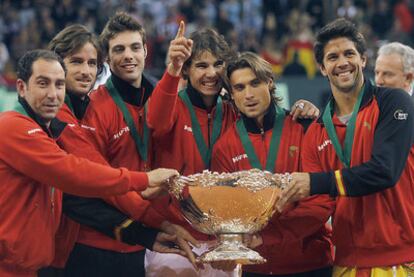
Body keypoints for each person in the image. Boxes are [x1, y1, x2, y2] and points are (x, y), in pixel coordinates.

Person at [146, 21, 320, 276]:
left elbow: (268, 117)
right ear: (187, 70)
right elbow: (156, 122)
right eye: (201, 66)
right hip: (178, 236)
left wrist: (304, 107)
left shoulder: (232, 110)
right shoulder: (173, 105)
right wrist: (172, 69)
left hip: (226, 240)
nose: (211, 73)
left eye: (218, 65)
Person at [0, 49, 179, 277]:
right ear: (21, 88)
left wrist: (145, 234)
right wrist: (143, 179)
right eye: (43, 84)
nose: (53, 94)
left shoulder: (50, 134)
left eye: (59, 84)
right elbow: (73, 172)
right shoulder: (13, 127)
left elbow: (76, 201)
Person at [37, 24, 197, 277]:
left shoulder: (157, 96)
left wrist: (176, 69)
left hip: (136, 240)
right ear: (110, 59)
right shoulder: (78, 111)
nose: (85, 71)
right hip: (89, 244)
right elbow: (97, 178)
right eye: (76, 62)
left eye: (91, 63)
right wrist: (152, 208)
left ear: (146, 51)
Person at [276, 18, 414, 276]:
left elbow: (385, 171)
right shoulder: (316, 130)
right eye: (332, 57)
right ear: (322, 68)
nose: (342, 63)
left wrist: (313, 182)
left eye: (349, 53)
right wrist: (267, 231)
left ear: (363, 60)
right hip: (346, 264)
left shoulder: (394, 103)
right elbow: (318, 205)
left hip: (401, 260)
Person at [210, 51, 334, 277]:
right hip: (256, 268)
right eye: (239, 88)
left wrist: (270, 236)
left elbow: (321, 202)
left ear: (269, 82)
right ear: (231, 95)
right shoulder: (225, 146)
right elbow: (226, 211)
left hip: (310, 264)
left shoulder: (304, 128)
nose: (248, 94)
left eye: (254, 83)